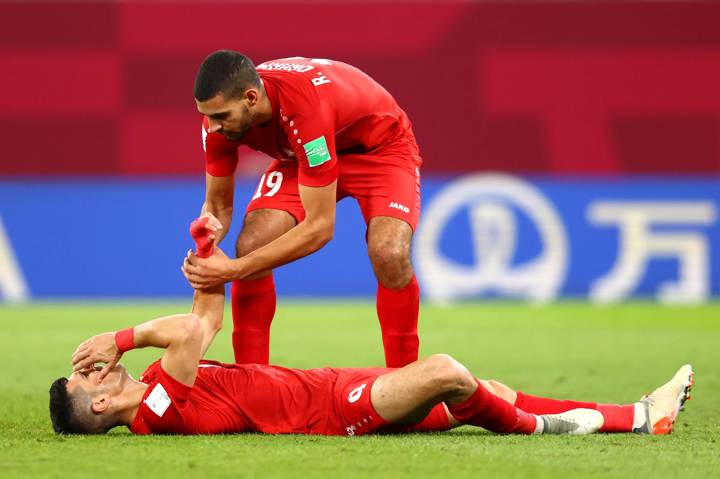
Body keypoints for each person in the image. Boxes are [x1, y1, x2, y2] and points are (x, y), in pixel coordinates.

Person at [50, 217, 693, 437]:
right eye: (88, 376)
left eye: (91, 361)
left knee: (483, 391)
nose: (96, 364)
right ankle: (540, 427)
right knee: (445, 371)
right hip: (334, 413)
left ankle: (641, 417)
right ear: (102, 403)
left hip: (335, 385)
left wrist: (206, 249)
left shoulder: (165, 388)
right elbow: (189, 334)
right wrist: (123, 336)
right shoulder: (158, 409)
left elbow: (205, 315)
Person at [181, 51, 424, 367]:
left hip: (380, 151)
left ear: (251, 98)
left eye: (221, 116)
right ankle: (252, 382)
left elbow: (320, 228)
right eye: (207, 116)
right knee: (252, 243)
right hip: (303, 157)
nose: (212, 127)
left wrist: (234, 270)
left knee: (389, 251)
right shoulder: (218, 120)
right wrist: (206, 246)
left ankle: (407, 382)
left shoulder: (304, 111)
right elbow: (218, 205)